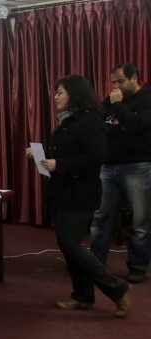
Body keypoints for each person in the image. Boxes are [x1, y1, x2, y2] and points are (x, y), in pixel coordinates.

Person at [26, 74, 131, 318]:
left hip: (80, 194)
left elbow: (95, 157)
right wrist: (42, 154)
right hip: (63, 192)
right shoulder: (68, 121)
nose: (55, 97)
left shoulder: (90, 121)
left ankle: (117, 288)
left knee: (71, 245)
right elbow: (68, 152)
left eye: (60, 92)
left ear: (75, 94)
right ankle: (82, 295)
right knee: (68, 246)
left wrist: (58, 164)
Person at [89, 63, 151, 284]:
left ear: (135, 78)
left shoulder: (146, 99)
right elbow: (99, 124)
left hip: (138, 167)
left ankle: (137, 267)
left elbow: (135, 124)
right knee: (100, 218)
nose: (116, 87)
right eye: (113, 82)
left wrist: (118, 108)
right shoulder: (112, 100)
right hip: (109, 167)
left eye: (121, 81)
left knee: (140, 222)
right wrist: (120, 122)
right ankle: (95, 264)